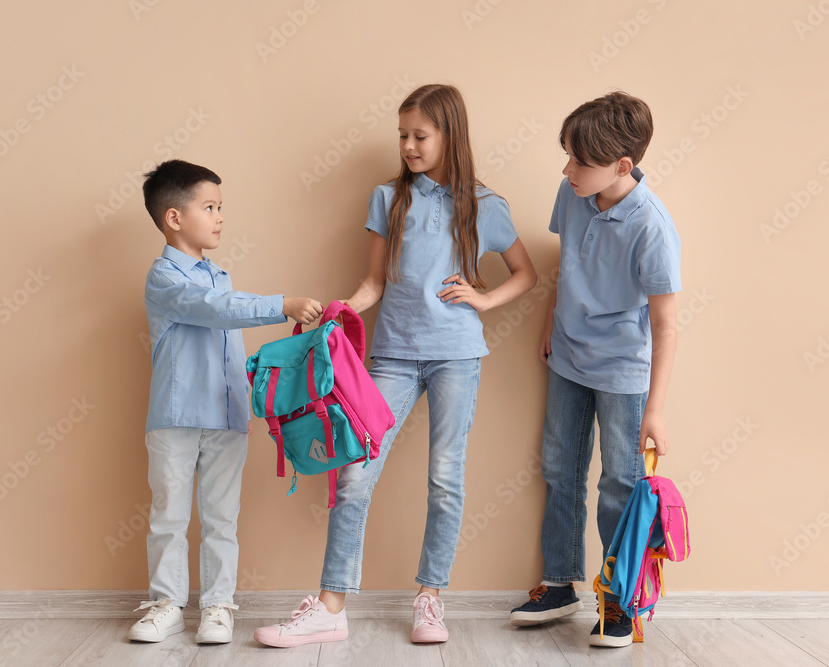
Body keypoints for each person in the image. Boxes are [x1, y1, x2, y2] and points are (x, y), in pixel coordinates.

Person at [254, 84, 537, 647]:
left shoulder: (485, 205)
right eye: (402, 135)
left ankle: (430, 599)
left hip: (457, 355)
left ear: (448, 135)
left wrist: (483, 300)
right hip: (392, 356)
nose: (407, 145)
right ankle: (331, 605)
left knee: (445, 477)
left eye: (419, 136)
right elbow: (374, 283)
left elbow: (525, 273)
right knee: (354, 473)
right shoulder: (388, 199)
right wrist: (339, 310)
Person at [509, 92, 681, 648]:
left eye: (579, 160)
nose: (567, 169)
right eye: (568, 156)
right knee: (561, 468)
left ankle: (618, 600)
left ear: (622, 166)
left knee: (619, 485)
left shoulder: (652, 227)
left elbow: (666, 324)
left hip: (623, 371)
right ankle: (560, 583)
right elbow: (569, 263)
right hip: (567, 354)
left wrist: (654, 408)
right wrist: (548, 325)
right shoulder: (575, 192)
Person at [129, 160, 322, 645]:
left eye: (221, 208)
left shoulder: (220, 274)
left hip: (226, 416)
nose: (219, 217)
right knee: (168, 514)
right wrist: (282, 304)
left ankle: (217, 606)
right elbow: (215, 312)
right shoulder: (165, 278)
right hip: (174, 417)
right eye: (210, 207)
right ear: (174, 218)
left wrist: (251, 394)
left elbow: (226, 338)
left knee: (221, 516)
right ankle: (166, 604)